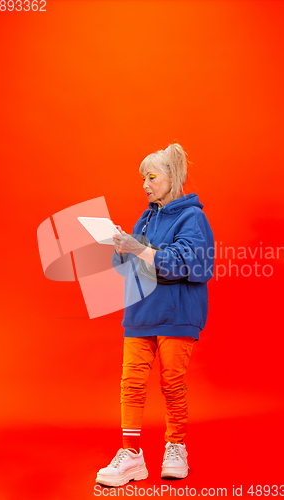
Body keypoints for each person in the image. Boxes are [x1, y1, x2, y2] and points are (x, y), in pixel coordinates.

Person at [96, 143, 214, 487]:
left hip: (177, 314)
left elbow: (188, 263)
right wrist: (122, 250)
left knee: (172, 383)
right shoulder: (144, 218)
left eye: (151, 177)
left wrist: (141, 249)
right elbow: (130, 269)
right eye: (142, 178)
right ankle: (131, 456)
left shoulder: (193, 217)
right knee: (131, 384)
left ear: (172, 178)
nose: (145, 185)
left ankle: (176, 446)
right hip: (140, 313)